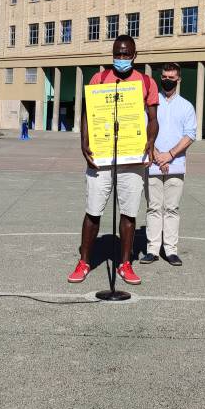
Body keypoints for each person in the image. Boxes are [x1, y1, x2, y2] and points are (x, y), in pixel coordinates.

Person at [68, 35, 159, 286]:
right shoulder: (99, 79)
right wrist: (83, 142)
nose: (121, 58)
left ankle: (125, 263)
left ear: (134, 55)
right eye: (117, 54)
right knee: (93, 211)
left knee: (128, 213)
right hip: (102, 155)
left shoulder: (146, 82)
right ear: (112, 54)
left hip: (132, 156)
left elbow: (153, 119)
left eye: (126, 54)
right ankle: (84, 261)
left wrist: (150, 142)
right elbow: (88, 113)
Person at [142, 62, 196, 266]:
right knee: (153, 207)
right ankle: (152, 250)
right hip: (152, 162)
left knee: (172, 208)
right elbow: (144, 129)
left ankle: (171, 250)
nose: (167, 81)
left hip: (176, 164)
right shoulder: (151, 104)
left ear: (178, 80)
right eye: (164, 77)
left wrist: (170, 155)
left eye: (171, 78)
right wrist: (156, 154)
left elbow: (190, 135)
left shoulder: (186, 106)